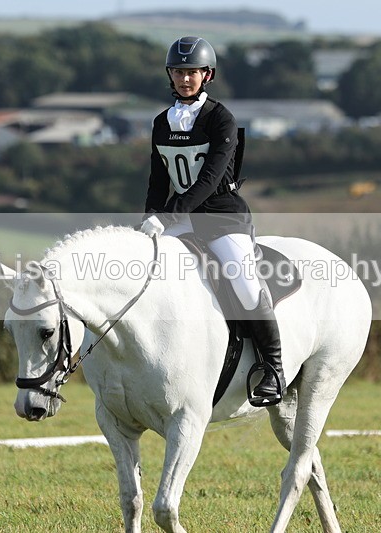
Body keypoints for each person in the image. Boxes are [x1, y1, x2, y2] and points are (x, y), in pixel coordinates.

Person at [140, 36, 285, 403]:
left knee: (244, 280)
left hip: (222, 218)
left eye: (192, 72)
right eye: (178, 71)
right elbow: (158, 181)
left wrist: (171, 215)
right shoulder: (160, 122)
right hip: (180, 218)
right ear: (169, 75)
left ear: (207, 74)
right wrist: (149, 221)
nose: (184, 79)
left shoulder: (221, 119)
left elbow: (208, 179)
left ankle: (273, 368)